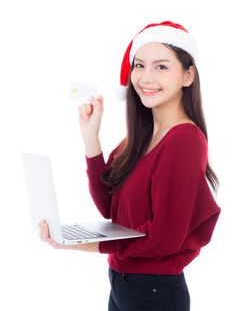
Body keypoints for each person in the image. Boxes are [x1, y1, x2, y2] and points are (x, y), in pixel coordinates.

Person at [39, 21, 221, 311]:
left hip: (155, 292)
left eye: (161, 67)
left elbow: (165, 239)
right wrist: (91, 140)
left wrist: (81, 244)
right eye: (139, 65)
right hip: (123, 283)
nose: (146, 77)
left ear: (188, 76)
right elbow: (112, 212)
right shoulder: (137, 140)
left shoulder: (184, 140)